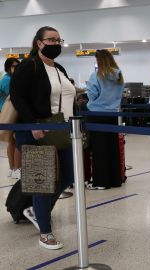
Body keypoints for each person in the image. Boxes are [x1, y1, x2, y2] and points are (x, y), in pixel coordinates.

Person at [10, 26, 76, 250]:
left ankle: (36, 210)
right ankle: (45, 233)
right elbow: (18, 97)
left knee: (68, 176)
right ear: (39, 42)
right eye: (51, 39)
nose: (56, 43)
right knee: (43, 182)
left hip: (61, 128)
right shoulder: (29, 66)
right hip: (37, 130)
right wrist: (32, 125)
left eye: (59, 39)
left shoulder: (58, 68)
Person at [86, 49, 125, 190]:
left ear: (99, 61)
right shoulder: (119, 75)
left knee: (99, 149)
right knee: (112, 147)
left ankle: (101, 181)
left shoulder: (96, 76)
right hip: (113, 115)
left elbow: (92, 94)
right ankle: (115, 180)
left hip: (97, 114)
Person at [0, 58, 21, 179]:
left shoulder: (8, 79)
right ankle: (16, 168)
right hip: (10, 113)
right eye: (14, 66)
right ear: (8, 67)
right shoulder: (8, 80)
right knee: (17, 140)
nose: (16, 68)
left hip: (7, 113)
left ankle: (12, 168)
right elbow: (16, 95)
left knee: (11, 141)